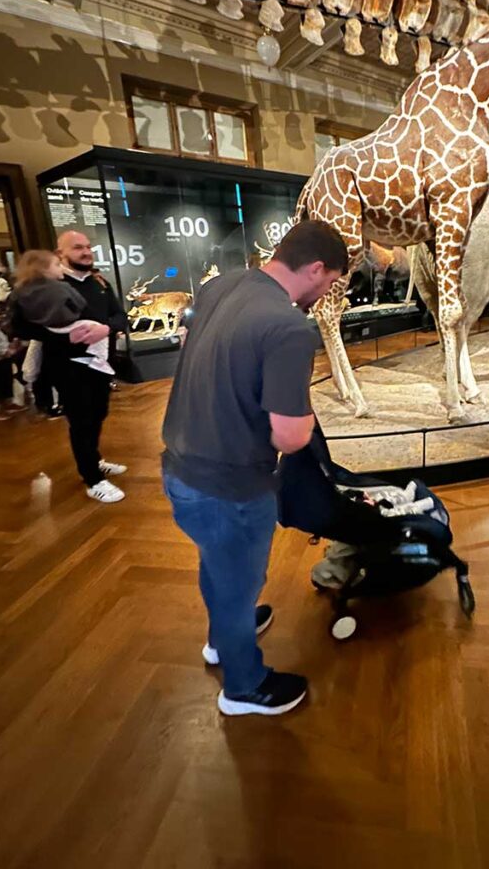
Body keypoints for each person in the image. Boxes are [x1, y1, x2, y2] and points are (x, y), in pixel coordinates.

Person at [162, 220, 348, 717]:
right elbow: (290, 435)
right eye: (330, 282)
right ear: (314, 269)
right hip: (231, 483)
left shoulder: (219, 285)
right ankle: (243, 687)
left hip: (179, 468)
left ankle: (223, 637)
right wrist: (305, 417)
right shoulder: (288, 328)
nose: (326, 293)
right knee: (239, 577)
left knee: (219, 565)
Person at [10, 231, 128, 502]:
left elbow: (120, 316)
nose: (86, 251)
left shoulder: (99, 282)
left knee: (98, 413)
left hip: (101, 364)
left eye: (88, 246)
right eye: (78, 248)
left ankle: (94, 459)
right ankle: (92, 478)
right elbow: (21, 326)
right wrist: (63, 335)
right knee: (81, 420)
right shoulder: (38, 287)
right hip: (67, 368)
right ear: (60, 253)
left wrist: (106, 329)